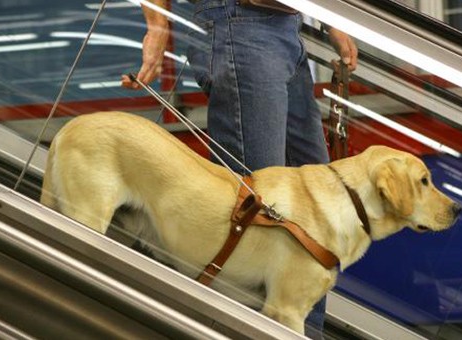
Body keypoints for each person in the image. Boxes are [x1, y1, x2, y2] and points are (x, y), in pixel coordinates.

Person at [122, 0, 357, 338]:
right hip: (239, 25)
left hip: (286, 24)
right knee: (260, 217)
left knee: (315, 210)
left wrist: (330, 19)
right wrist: (158, 25)